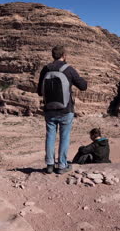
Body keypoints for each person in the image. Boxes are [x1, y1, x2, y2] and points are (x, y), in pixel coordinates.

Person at [37, 45, 87, 174]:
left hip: (49, 109)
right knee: (64, 137)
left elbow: (39, 92)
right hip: (66, 109)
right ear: (64, 55)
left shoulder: (46, 69)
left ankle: (49, 165)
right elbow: (83, 86)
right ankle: (62, 166)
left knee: (50, 136)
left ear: (53, 55)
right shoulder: (69, 69)